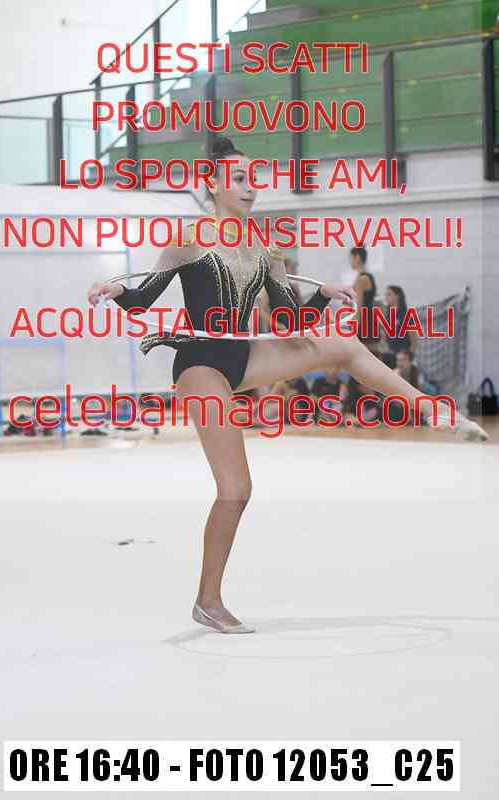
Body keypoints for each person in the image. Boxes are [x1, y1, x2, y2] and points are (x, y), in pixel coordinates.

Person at [87, 135, 488, 635]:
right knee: (236, 489)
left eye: (253, 178)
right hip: (200, 364)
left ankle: (431, 409)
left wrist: (323, 296)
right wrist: (115, 290)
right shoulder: (189, 239)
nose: (250, 187)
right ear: (213, 184)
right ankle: (208, 601)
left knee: (342, 344)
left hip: (244, 355)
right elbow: (145, 295)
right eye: (238, 178)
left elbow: (287, 318)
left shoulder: (265, 245)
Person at [349, 245, 379, 350]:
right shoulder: (367, 277)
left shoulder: (361, 279)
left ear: (357, 257)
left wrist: (354, 329)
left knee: (366, 354)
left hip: (364, 322)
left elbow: (359, 306)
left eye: (350, 258)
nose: (350, 262)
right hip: (370, 320)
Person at [380, 285, 417, 368]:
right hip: (390, 357)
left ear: (397, 296)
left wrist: (408, 357)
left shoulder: (406, 315)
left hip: (403, 357)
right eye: (386, 295)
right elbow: (384, 338)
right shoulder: (387, 316)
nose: (386, 297)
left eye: (389, 294)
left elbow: (414, 341)